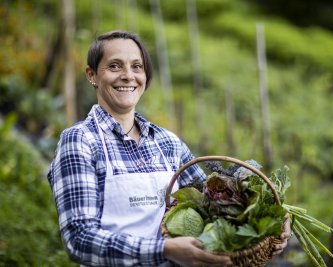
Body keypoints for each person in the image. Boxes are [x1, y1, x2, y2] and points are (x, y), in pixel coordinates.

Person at [47, 30, 290, 267]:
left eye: (137, 66)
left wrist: (273, 222)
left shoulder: (168, 143)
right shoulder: (80, 141)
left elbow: (215, 204)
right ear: (91, 75)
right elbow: (79, 239)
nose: (128, 75)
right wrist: (164, 250)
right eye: (114, 66)